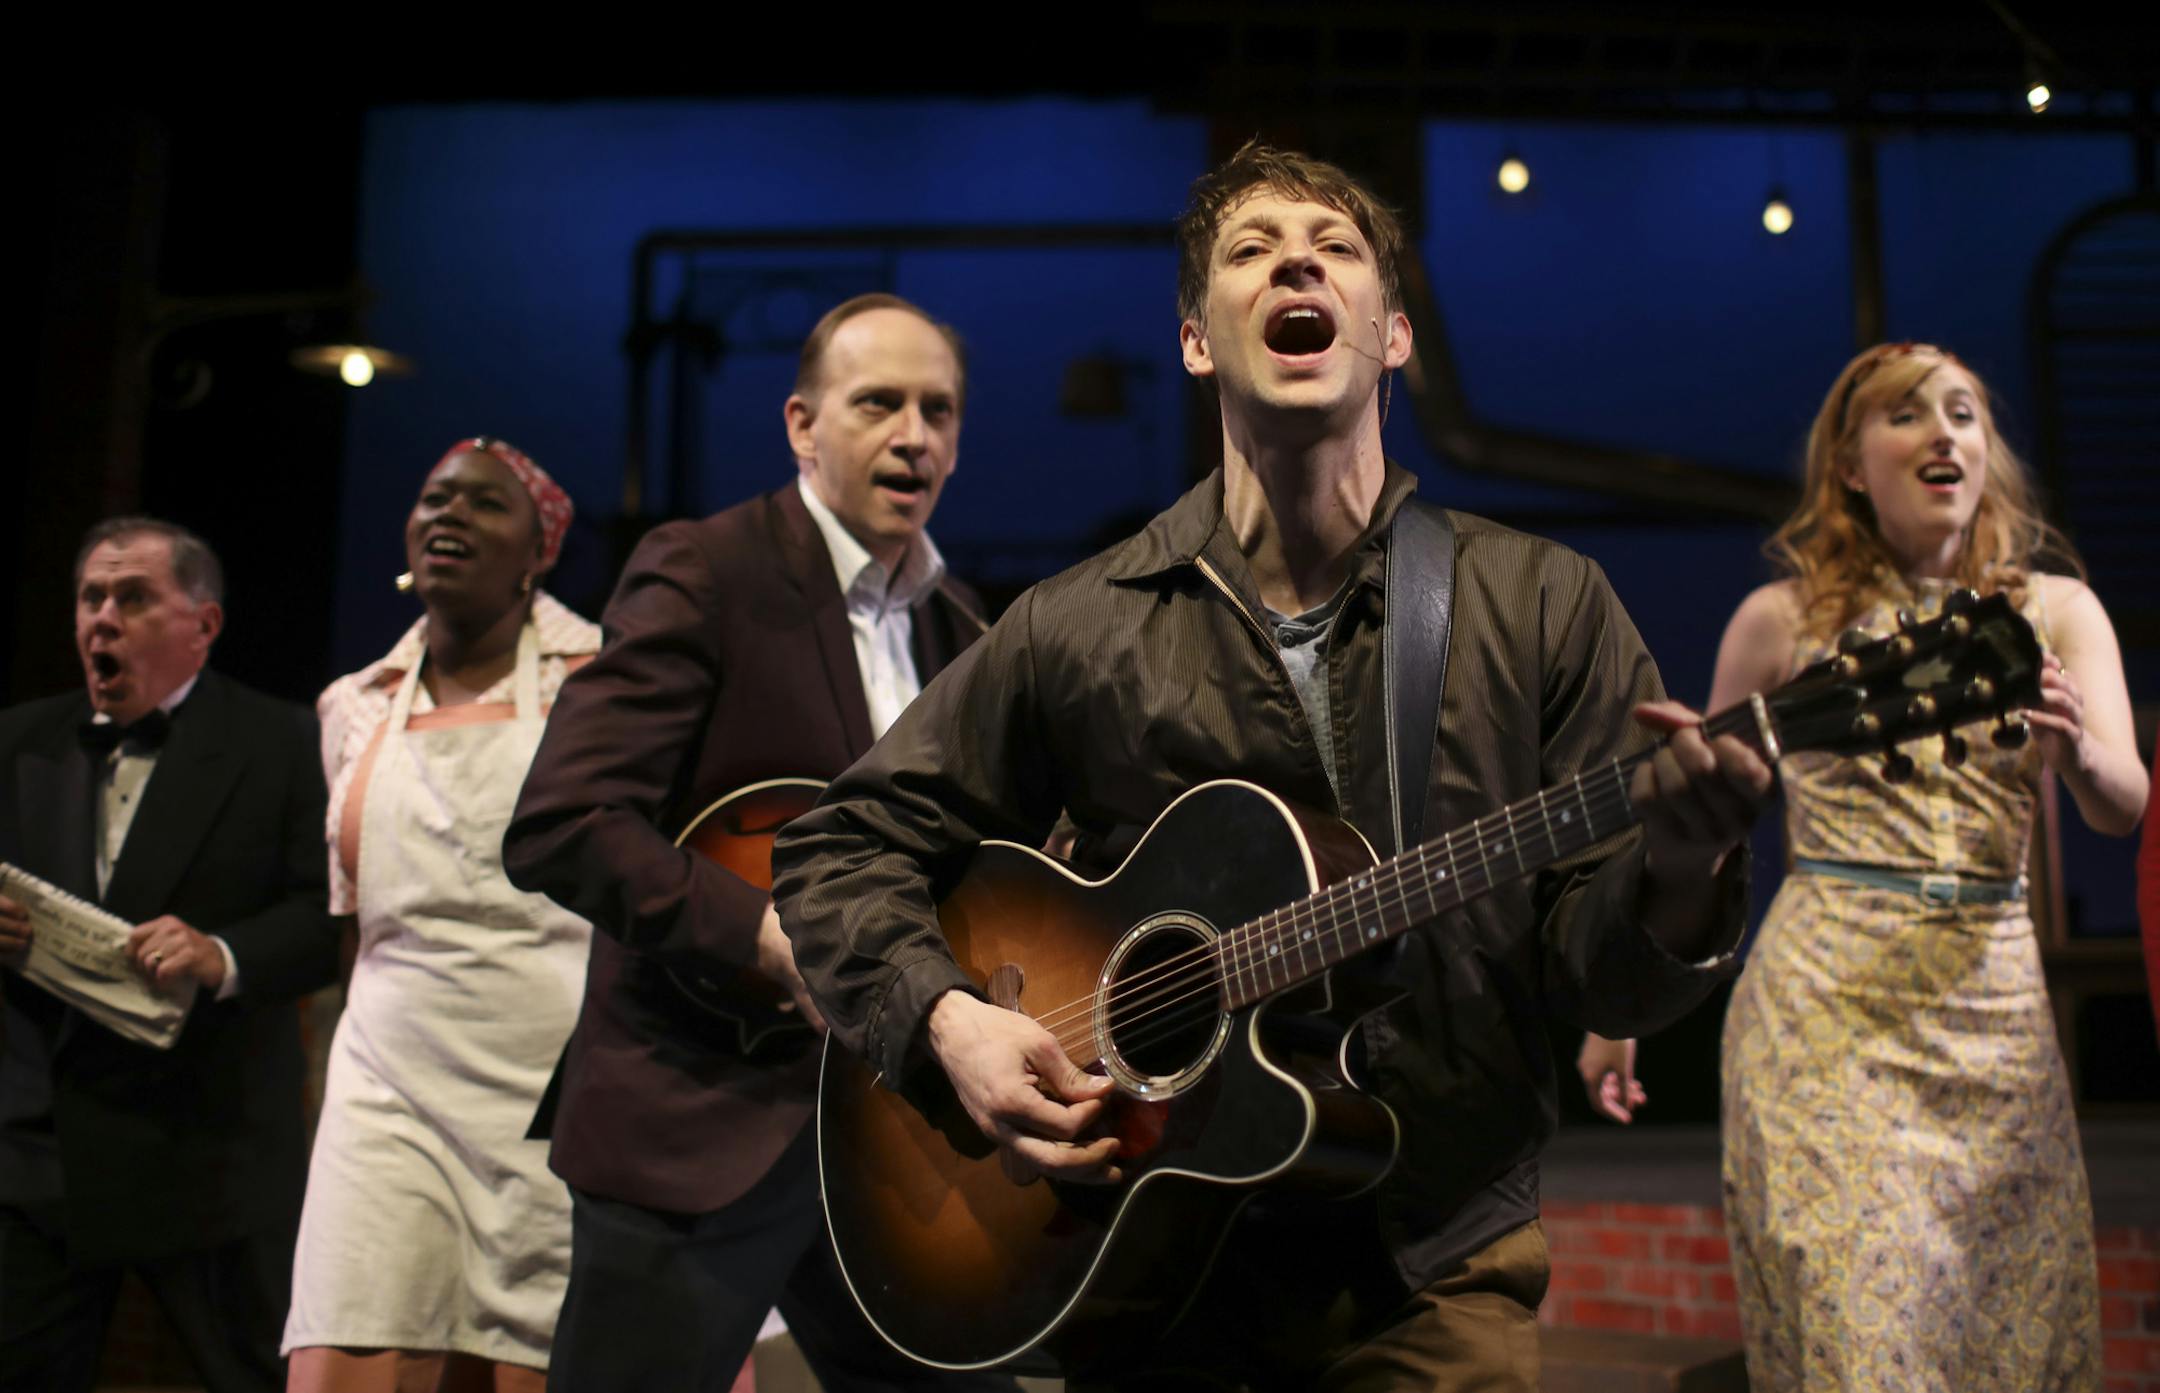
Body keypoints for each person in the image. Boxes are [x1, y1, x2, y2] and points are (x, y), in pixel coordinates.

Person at [769, 141, 1773, 1391]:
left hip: (1429, 1262)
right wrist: (948, 1020)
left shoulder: (1542, 604)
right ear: (1198, 342)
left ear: (1392, 337)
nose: (1297, 261)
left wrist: (1683, 867)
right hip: (1138, 1269)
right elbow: (836, 848)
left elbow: (1606, 984)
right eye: (1252, 249)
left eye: (1336, 248)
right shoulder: (1077, 623)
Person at [1579, 341, 2147, 1389]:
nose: (1943, 433)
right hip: (1825, 1016)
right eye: (1907, 414)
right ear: (1848, 464)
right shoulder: (1782, 620)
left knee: (2016, 1348)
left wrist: (2078, 751)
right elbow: (1703, 829)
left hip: (1998, 1023)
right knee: (1857, 1347)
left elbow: (2125, 806)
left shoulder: (2059, 610)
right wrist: (1623, 1005)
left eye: (1964, 413)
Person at [503, 295, 1017, 1393]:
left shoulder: (963, 624)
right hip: (698, 1112)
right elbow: (565, 822)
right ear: (801, 425)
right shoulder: (707, 569)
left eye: (938, 411)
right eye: (877, 403)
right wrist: (767, 936)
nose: (913, 436)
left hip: (890, 1131)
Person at [282, 438, 600, 1392]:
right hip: (388, 1080)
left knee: (529, 1360)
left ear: (539, 551)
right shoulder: (353, 704)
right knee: (350, 1340)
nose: (449, 514)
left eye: (485, 503)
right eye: (434, 499)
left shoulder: (603, 686)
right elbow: (356, 921)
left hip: (553, 1087)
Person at [0, 517, 339, 1393]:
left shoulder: (282, 741)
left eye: (134, 597)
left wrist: (221, 953)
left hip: (209, 1149)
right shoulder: (17, 740)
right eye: (91, 597)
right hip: (41, 1155)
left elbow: (327, 920)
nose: (103, 618)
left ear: (204, 623)